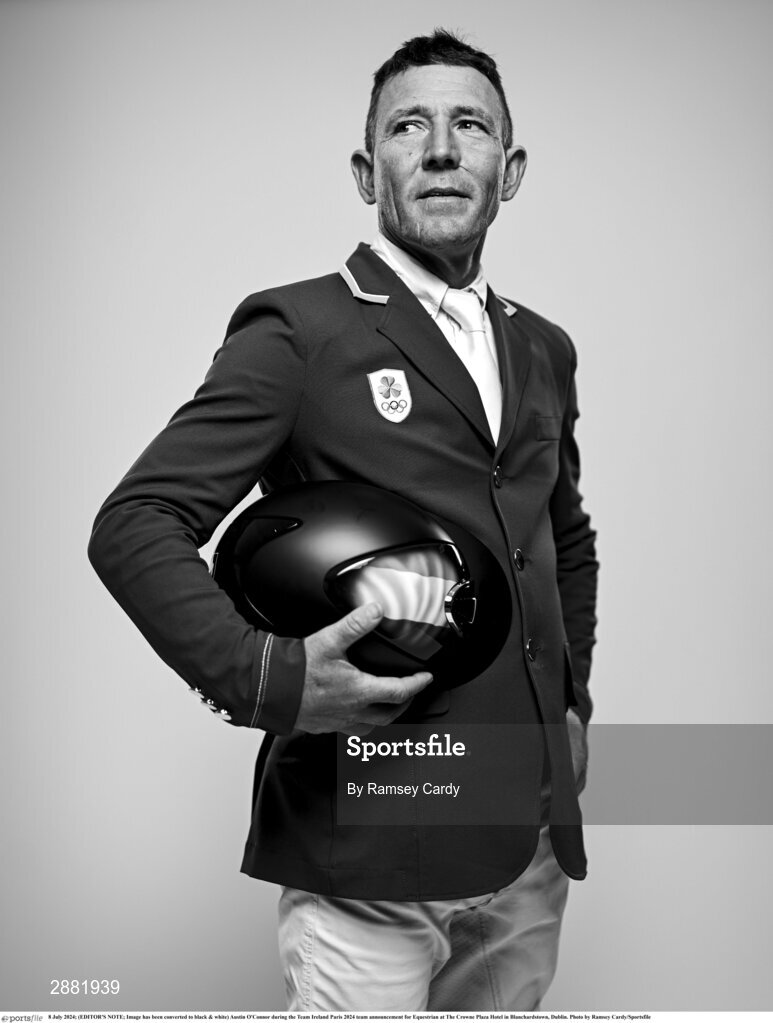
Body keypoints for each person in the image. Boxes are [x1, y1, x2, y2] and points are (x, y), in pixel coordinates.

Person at [88, 29, 598, 1012]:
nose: (442, 149)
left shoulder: (545, 348)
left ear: (510, 169)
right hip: (369, 848)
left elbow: (558, 538)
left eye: (471, 127)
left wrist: (568, 705)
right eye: (410, 126)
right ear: (369, 171)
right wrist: (268, 679)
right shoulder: (300, 330)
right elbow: (136, 523)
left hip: (525, 843)